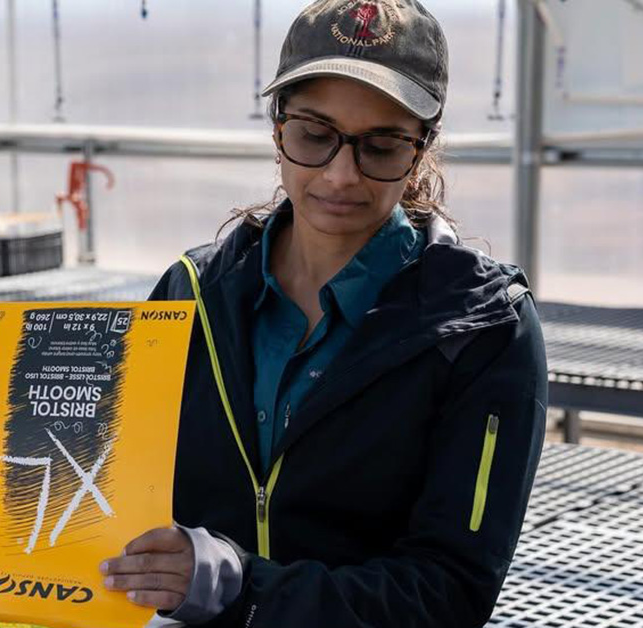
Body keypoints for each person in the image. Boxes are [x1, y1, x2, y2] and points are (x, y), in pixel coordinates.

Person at [101, 1, 548, 626]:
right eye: (314, 135)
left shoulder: (484, 330)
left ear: (422, 148)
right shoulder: (190, 294)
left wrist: (242, 590)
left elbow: (450, 592)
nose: (341, 176)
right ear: (277, 127)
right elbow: (114, 497)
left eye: (382, 146)